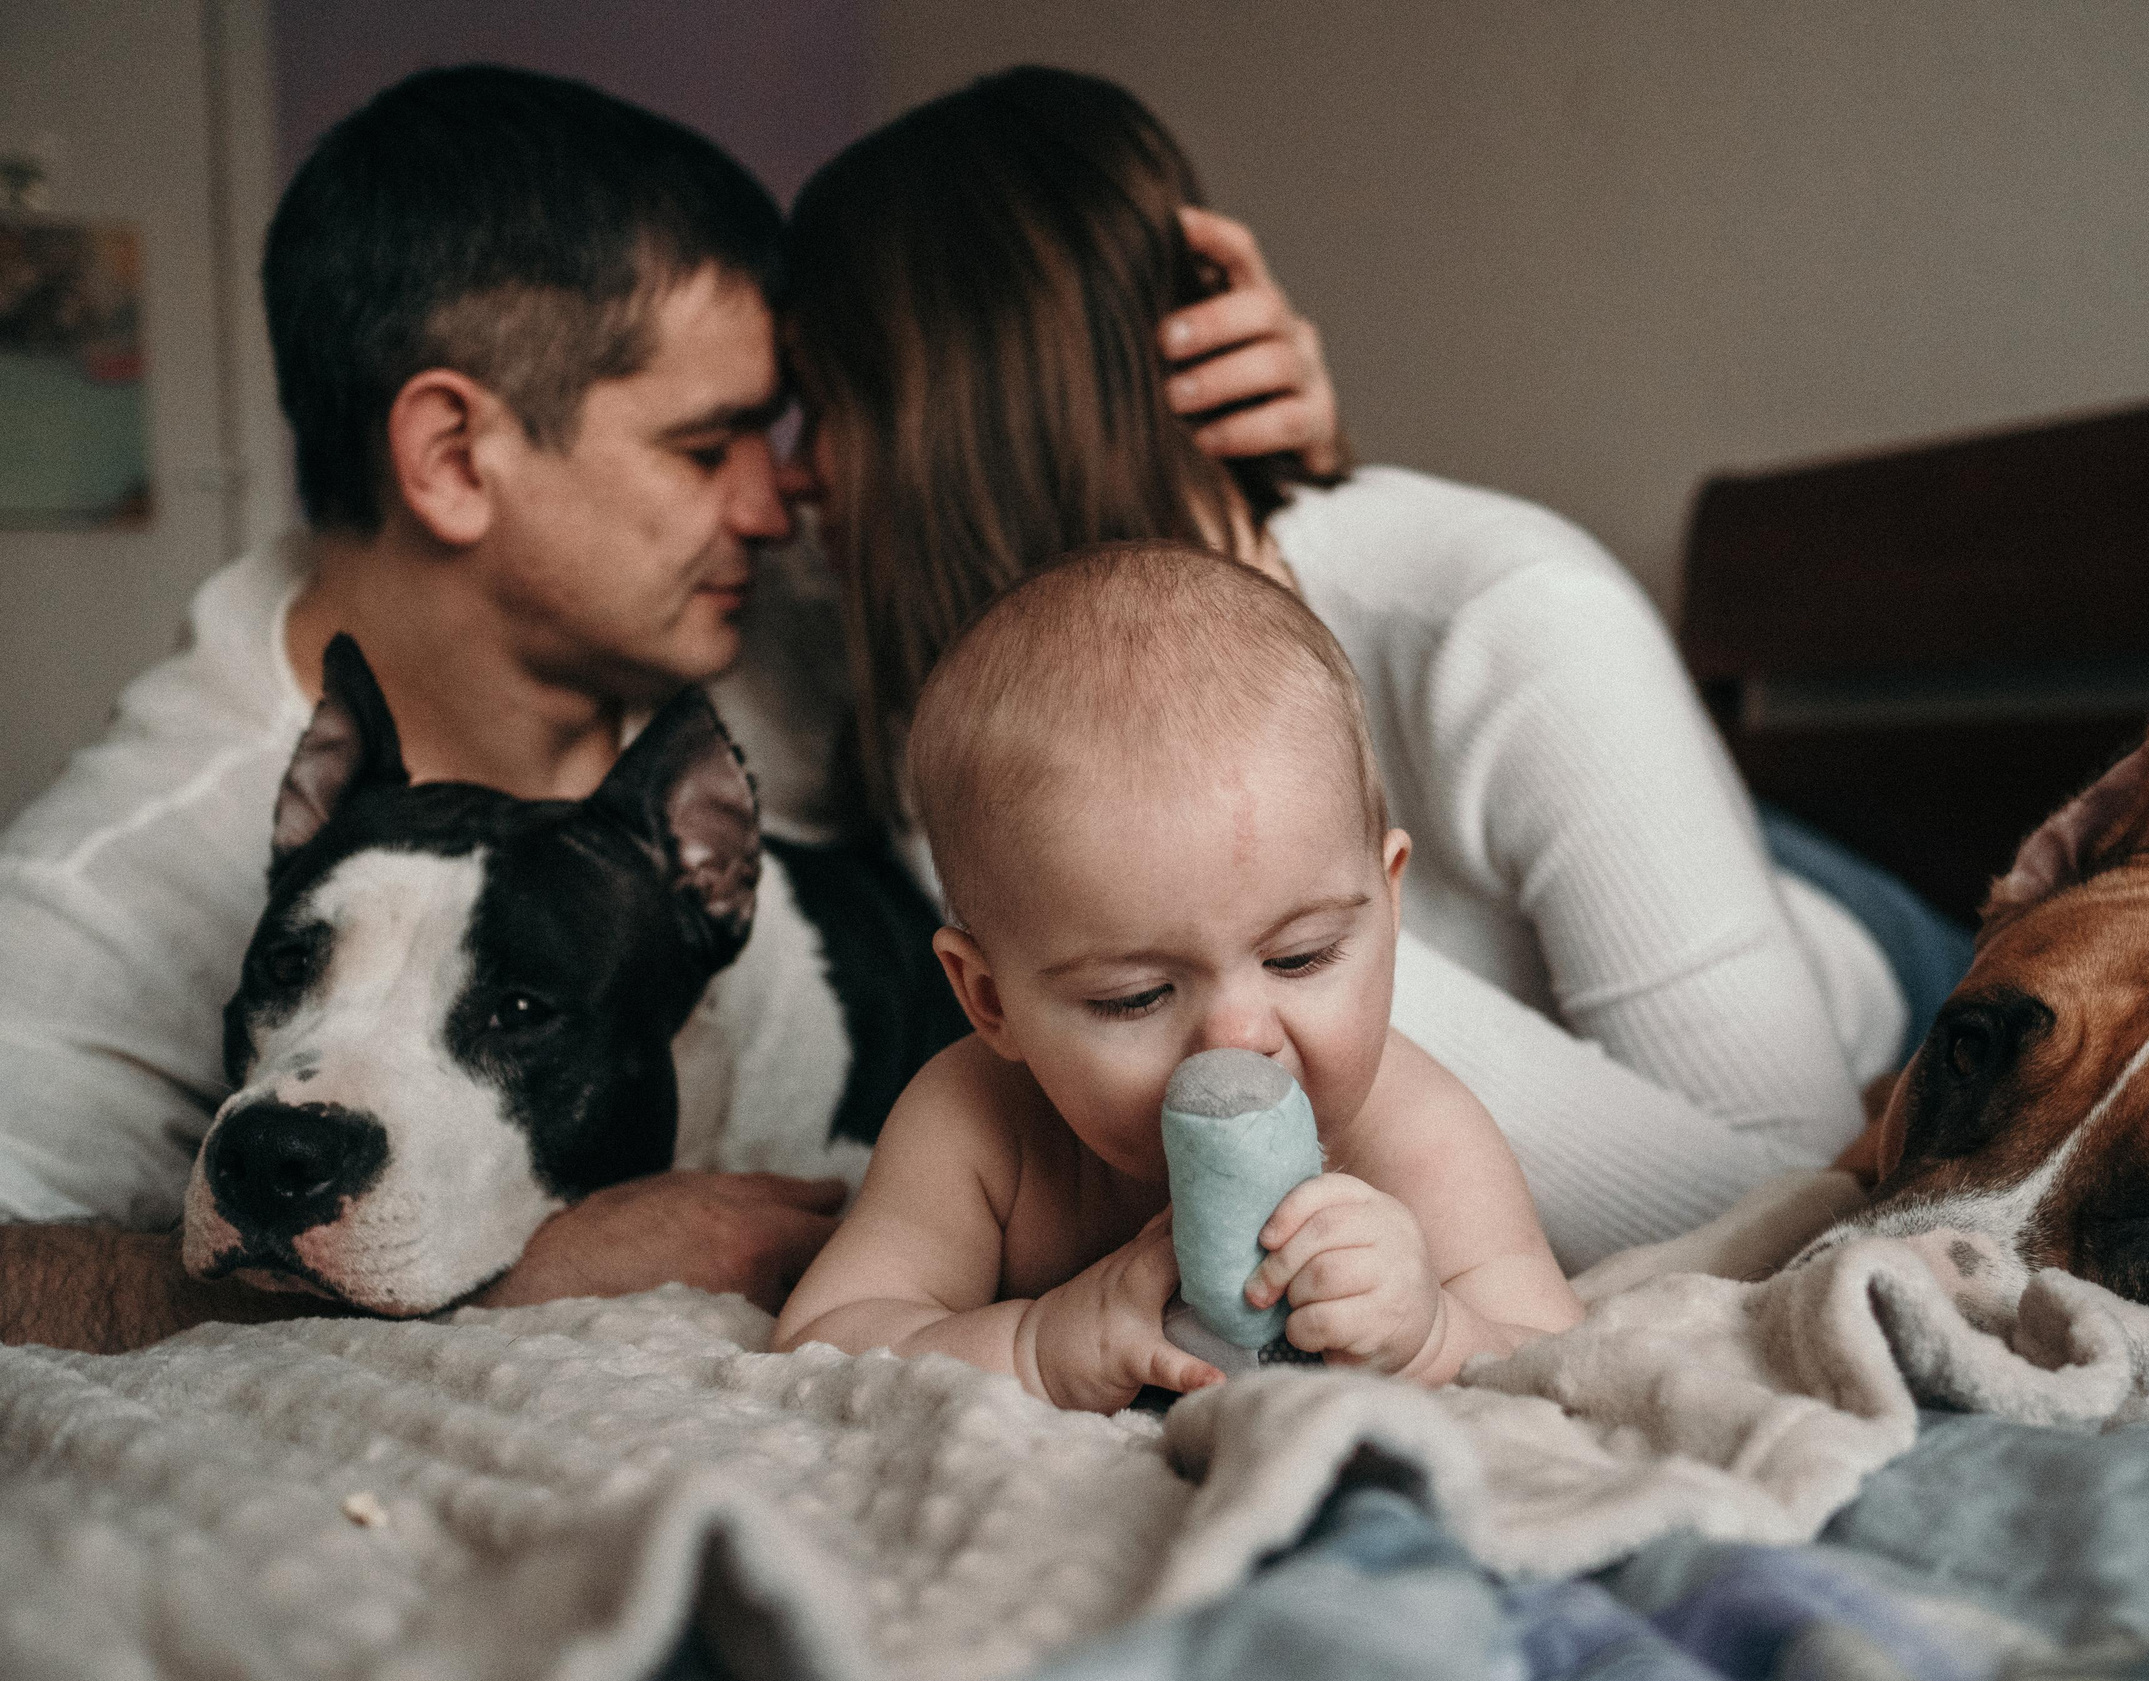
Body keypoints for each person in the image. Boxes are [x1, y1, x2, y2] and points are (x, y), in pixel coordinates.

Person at [0, 65, 1344, 1352]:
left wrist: (1257, 461)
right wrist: (538, 1266)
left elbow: (1146, 643)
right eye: (704, 449)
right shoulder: (119, 873)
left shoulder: (775, 622)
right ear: (457, 457)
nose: (775, 506)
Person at [771, 66, 1975, 1274]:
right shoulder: (956, 719)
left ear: (941, 413)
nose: (791, 479)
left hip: (1853, 952)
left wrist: (1254, 986)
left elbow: (1795, 1203)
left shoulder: (1503, 616)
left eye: (816, 408)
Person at [771, 545, 1584, 1410]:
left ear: (1387, 907)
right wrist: (1031, 1344)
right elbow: (823, 1341)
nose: (1239, 1037)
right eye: (1135, 997)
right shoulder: (974, 1128)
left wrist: (1434, 1331)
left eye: (1299, 956)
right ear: (988, 998)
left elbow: (1561, 1359)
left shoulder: (1415, 1133)